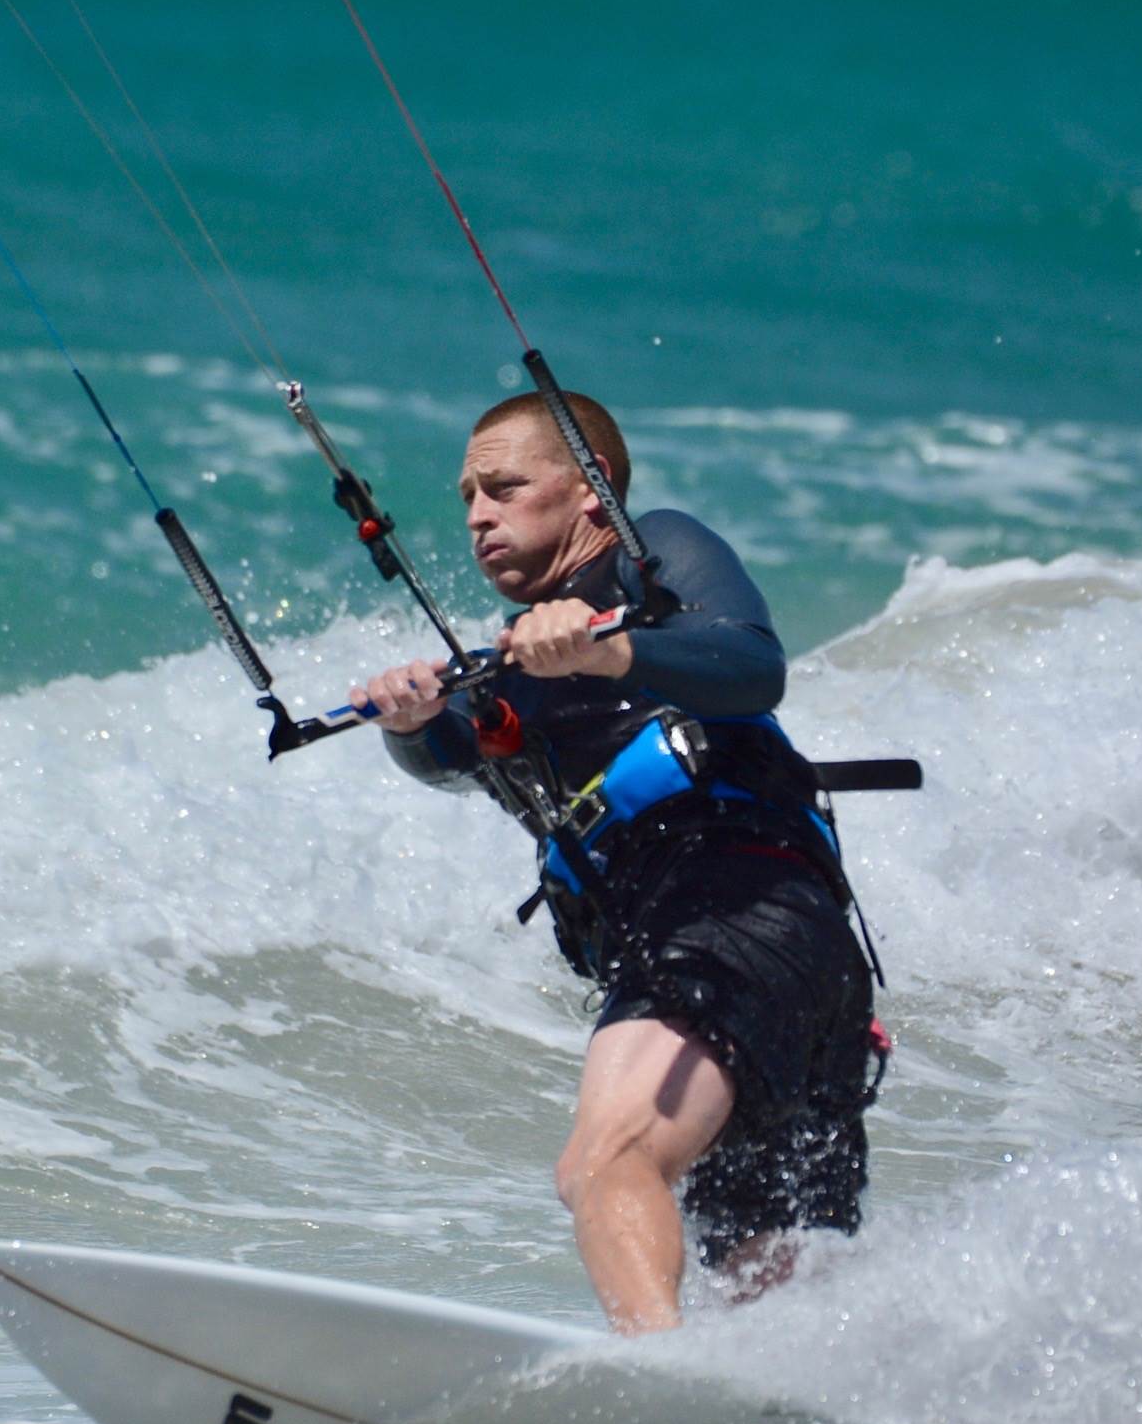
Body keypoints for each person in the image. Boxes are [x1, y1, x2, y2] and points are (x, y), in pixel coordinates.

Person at [351, 391, 886, 1334]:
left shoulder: (656, 561)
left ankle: (664, 1387)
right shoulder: (507, 667)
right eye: (468, 494)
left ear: (590, 494)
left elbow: (753, 666)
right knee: (768, 1281)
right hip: (788, 972)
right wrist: (411, 720)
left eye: (505, 486)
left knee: (603, 1164)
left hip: (732, 915)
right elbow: (452, 755)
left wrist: (606, 652)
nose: (478, 513)